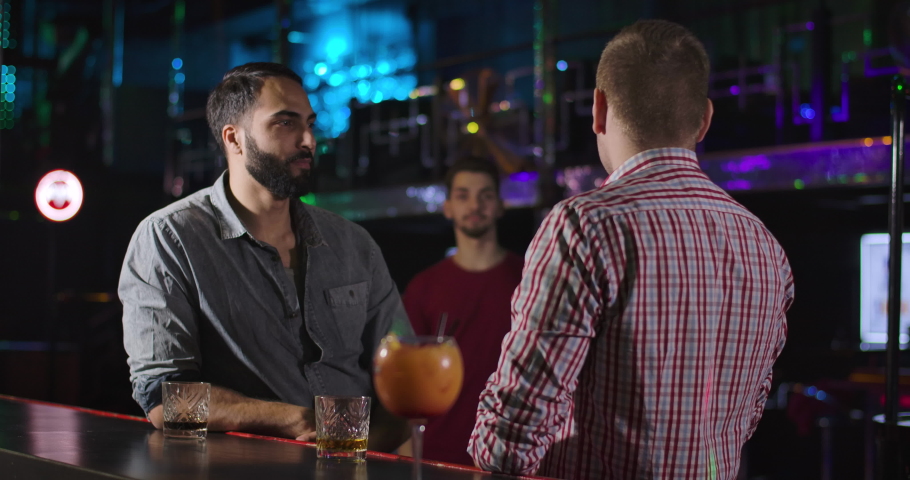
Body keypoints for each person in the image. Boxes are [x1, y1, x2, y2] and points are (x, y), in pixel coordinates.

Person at [469, 20, 794, 479]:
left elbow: (512, 432)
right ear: (703, 119)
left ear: (598, 109)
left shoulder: (583, 226)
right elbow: (746, 417)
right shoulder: (764, 246)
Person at [118, 62, 410, 451]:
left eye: (310, 122)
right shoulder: (170, 238)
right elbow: (165, 398)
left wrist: (381, 441)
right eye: (285, 123)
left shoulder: (353, 244)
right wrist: (296, 420)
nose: (308, 139)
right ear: (234, 139)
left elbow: (403, 371)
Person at [401, 157, 523, 465]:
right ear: (448, 207)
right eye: (463, 195)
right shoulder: (423, 288)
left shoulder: (530, 279)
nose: (475, 205)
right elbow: (406, 381)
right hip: (438, 456)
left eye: (485, 195)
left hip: (510, 455)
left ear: (499, 206)